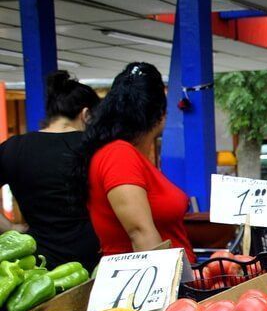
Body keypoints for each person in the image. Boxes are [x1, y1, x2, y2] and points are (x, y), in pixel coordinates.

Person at [74, 62, 195, 261]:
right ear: (161, 114)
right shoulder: (119, 156)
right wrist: (166, 289)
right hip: (150, 285)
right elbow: (140, 233)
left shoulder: (126, 156)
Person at [0, 71, 101, 269]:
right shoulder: (94, 148)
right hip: (93, 261)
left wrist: (10, 228)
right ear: (86, 114)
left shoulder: (14, 147)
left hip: (38, 265)